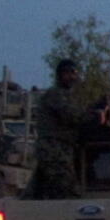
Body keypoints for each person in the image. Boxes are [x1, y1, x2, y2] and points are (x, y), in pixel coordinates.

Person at [25, 59, 96, 199]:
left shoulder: (66, 96)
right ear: (59, 75)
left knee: (39, 193)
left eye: (74, 73)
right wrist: (94, 115)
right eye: (67, 73)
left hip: (59, 150)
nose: (72, 77)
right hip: (54, 150)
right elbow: (73, 117)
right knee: (69, 192)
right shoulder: (55, 95)